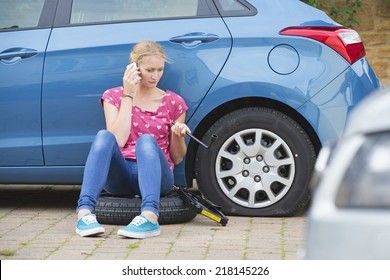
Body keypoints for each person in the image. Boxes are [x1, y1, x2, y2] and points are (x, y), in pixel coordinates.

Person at [75, 40, 189, 239]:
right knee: (104, 136)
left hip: (157, 175)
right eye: (149, 70)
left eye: (160, 70)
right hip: (122, 175)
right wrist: (128, 94)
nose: (155, 76)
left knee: (146, 140)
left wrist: (178, 137)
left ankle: (150, 217)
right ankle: (84, 213)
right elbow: (117, 140)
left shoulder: (174, 102)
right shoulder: (113, 96)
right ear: (134, 68)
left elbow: (177, 158)